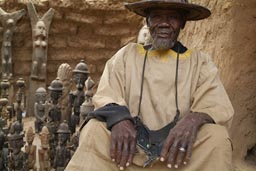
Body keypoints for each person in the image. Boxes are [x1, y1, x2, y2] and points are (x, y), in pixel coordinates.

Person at [66, 0, 234, 171]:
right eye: (157, 17)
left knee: (217, 138)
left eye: (172, 18)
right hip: (128, 151)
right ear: (147, 21)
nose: (164, 24)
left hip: (176, 154)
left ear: (183, 22)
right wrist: (120, 120)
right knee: (94, 130)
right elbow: (107, 94)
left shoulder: (199, 62)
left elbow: (215, 104)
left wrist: (192, 121)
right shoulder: (127, 55)